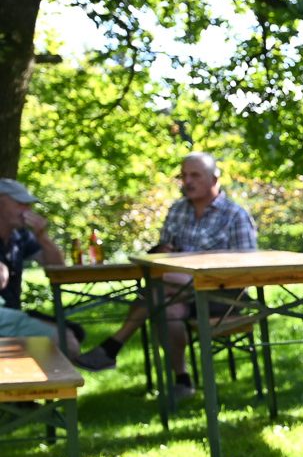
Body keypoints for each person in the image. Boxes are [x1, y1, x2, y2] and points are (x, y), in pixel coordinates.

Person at [80, 153, 257, 398]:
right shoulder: (177, 210)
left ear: (214, 179)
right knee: (168, 308)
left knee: (161, 285)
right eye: (183, 176)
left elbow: (247, 268)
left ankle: (113, 346)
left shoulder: (235, 215)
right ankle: (182, 380)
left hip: (223, 294)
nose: (188, 181)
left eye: (195, 175)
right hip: (179, 292)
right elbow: (164, 251)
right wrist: (163, 251)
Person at [0, 180, 84, 360]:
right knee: (66, 342)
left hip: (12, 313)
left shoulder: (20, 235)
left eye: (29, 204)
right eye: (20, 203)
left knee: (74, 333)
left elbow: (58, 269)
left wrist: (42, 237)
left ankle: (44, 385)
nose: (27, 209)